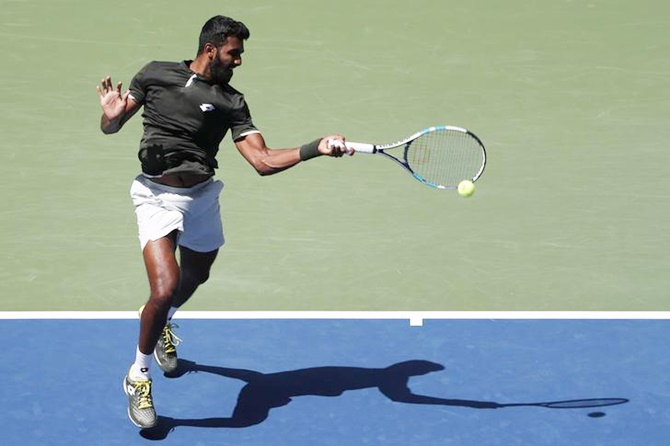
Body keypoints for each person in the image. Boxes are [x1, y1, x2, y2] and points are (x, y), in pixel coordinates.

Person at [96, 15, 352, 429]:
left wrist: (316, 148)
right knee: (162, 288)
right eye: (234, 53)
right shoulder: (155, 74)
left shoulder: (232, 101)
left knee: (197, 273)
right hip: (157, 195)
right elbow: (112, 125)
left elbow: (263, 161)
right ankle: (138, 375)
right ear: (211, 49)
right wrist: (110, 117)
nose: (239, 61)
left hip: (201, 197)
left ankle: (163, 322)